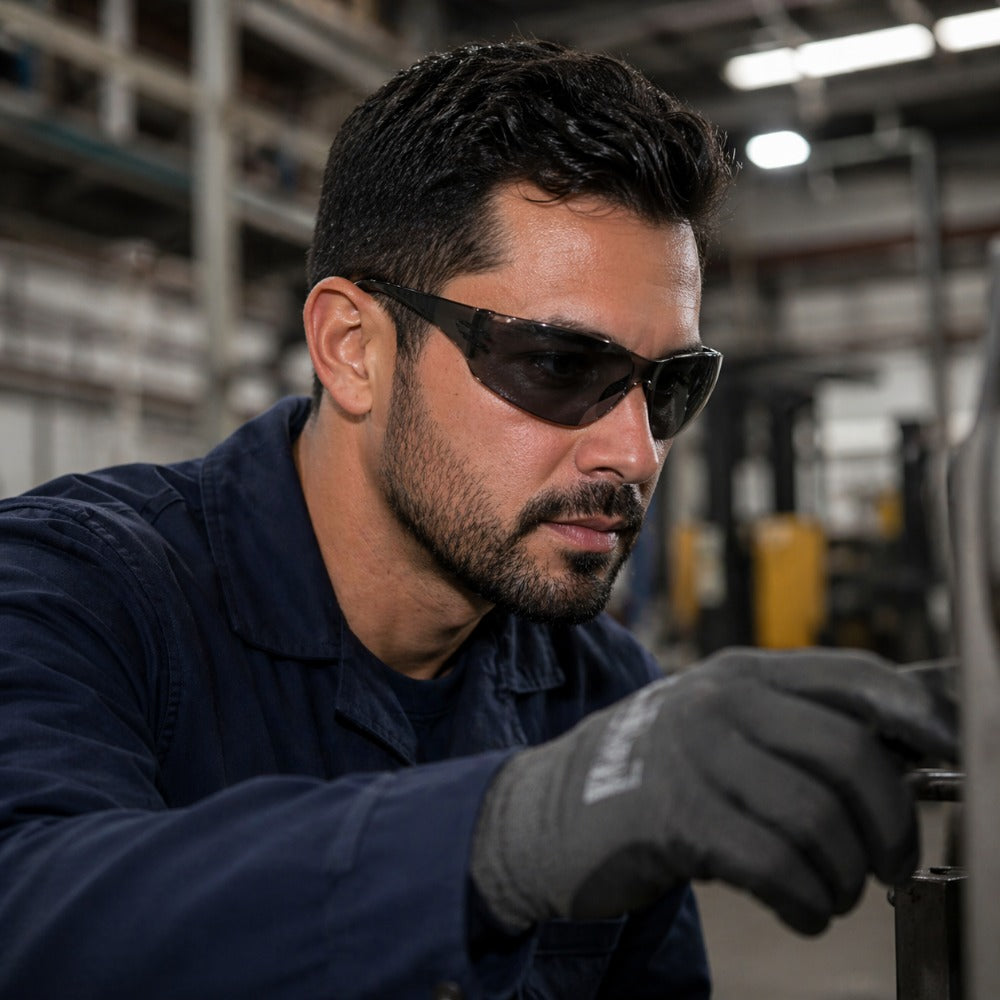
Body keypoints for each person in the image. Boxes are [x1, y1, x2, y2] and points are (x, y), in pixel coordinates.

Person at [0, 39, 954, 1000]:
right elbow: (31, 911)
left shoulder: (600, 688)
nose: (636, 453)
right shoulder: (71, 593)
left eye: (669, 387)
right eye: (558, 365)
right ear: (352, 348)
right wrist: (511, 837)